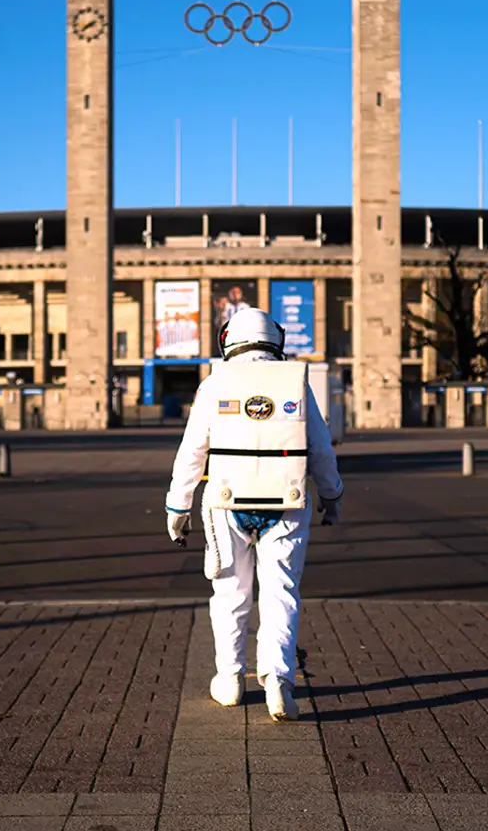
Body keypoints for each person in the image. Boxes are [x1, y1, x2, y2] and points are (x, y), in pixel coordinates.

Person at [165, 306, 343, 720]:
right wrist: (332, 497)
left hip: (226, 501)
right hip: (286, 500)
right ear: (275, 338)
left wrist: (178, 505)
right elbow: (320, 448)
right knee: (281, 591)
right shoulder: (295, 382)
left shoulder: (214, 384)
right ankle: (278, 681)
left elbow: (192, 451)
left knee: (230, 592)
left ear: (228, 338)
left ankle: (229, 680)